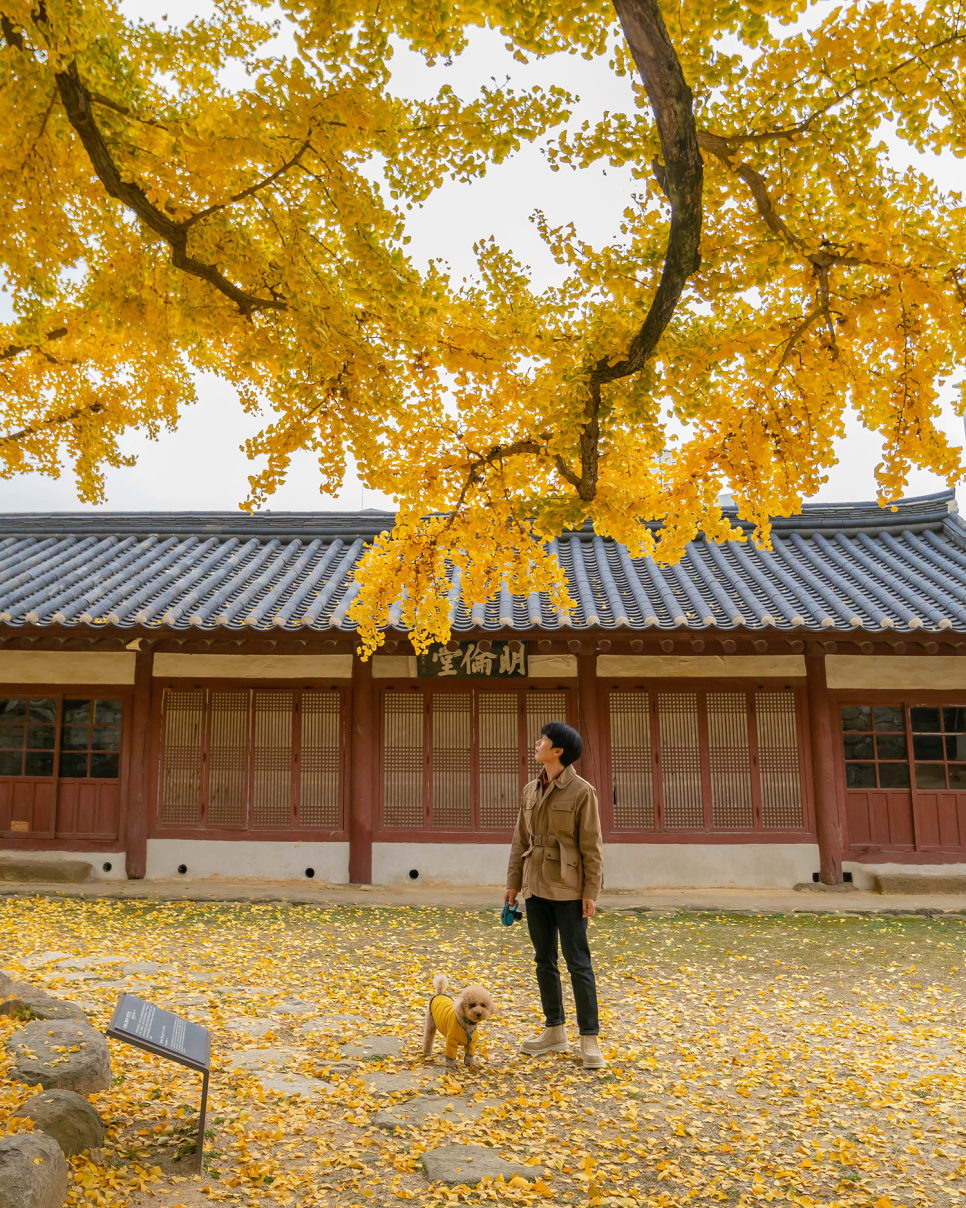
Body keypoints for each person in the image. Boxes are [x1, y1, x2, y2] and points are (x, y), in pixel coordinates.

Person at [504, 720, 605, 1069]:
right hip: (535, 886)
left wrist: (591, 890)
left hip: (569, 888)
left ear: (558, 750)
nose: (537, 742)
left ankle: (589, 1038)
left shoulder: (582, 791)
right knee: (544, 960)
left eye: (544, 739)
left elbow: (592, 846)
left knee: (578, 962)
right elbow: (520, 840)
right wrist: (513, 884)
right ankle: (555, 1030)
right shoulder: (530, 789)